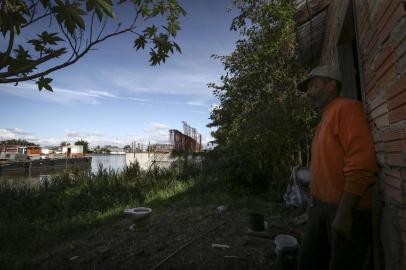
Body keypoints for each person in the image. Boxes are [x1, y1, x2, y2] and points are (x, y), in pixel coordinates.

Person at [297, 65, 378, 270]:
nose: (309, 92)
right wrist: (313, 205)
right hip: (320, 208)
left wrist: (344, 212)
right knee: (309, 262)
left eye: (314, 86)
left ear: (331, 85)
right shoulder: (324, 119)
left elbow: (361, 163)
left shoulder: (347, 109)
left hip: (346, 209)